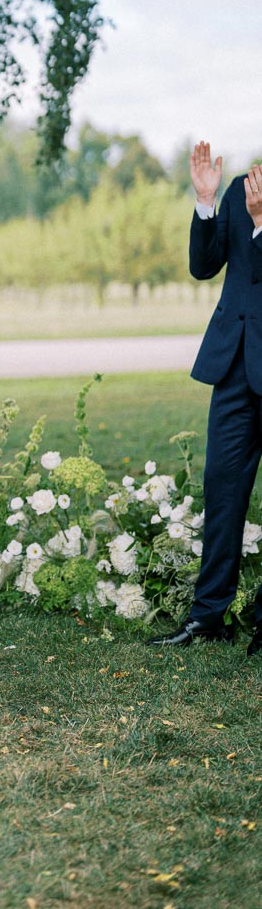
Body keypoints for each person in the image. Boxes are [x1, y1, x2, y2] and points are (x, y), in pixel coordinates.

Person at [150, 141, 262, 659]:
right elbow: (203, 266)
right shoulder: (241, 188)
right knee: (221, 495)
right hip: (234, 367)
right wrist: (206, 202)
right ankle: (207, 616)